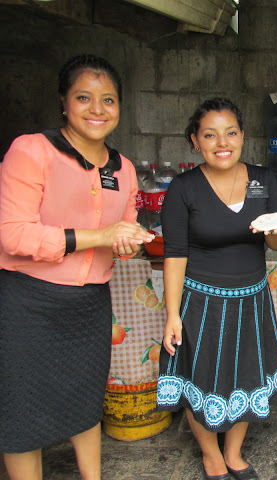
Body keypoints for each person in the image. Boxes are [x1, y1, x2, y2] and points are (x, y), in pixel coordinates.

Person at [0, 54, 154, 480]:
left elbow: (121, 236)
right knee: (22, 413)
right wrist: (100, 236)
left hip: (89, 305)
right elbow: (12, 234)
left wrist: (126, 244)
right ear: (63, 102)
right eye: (84, 97)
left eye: (108, 99)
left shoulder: (123, 169)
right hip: (28, 302)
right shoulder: (32, 151)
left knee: (84, 402)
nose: (97, 109)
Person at [156, 98, 277, 480]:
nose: (222, 143)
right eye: (210, 135)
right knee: (199, 379)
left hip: (251, 301)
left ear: (243, 136)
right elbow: (175, 254)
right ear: (195, 141)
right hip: (201, 304)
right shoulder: (184, 188)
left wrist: (276, 228)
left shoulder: (264, 180)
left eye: (230, 133)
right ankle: (211, 455)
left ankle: (233, 452)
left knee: (246, 376)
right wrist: (172, 315)